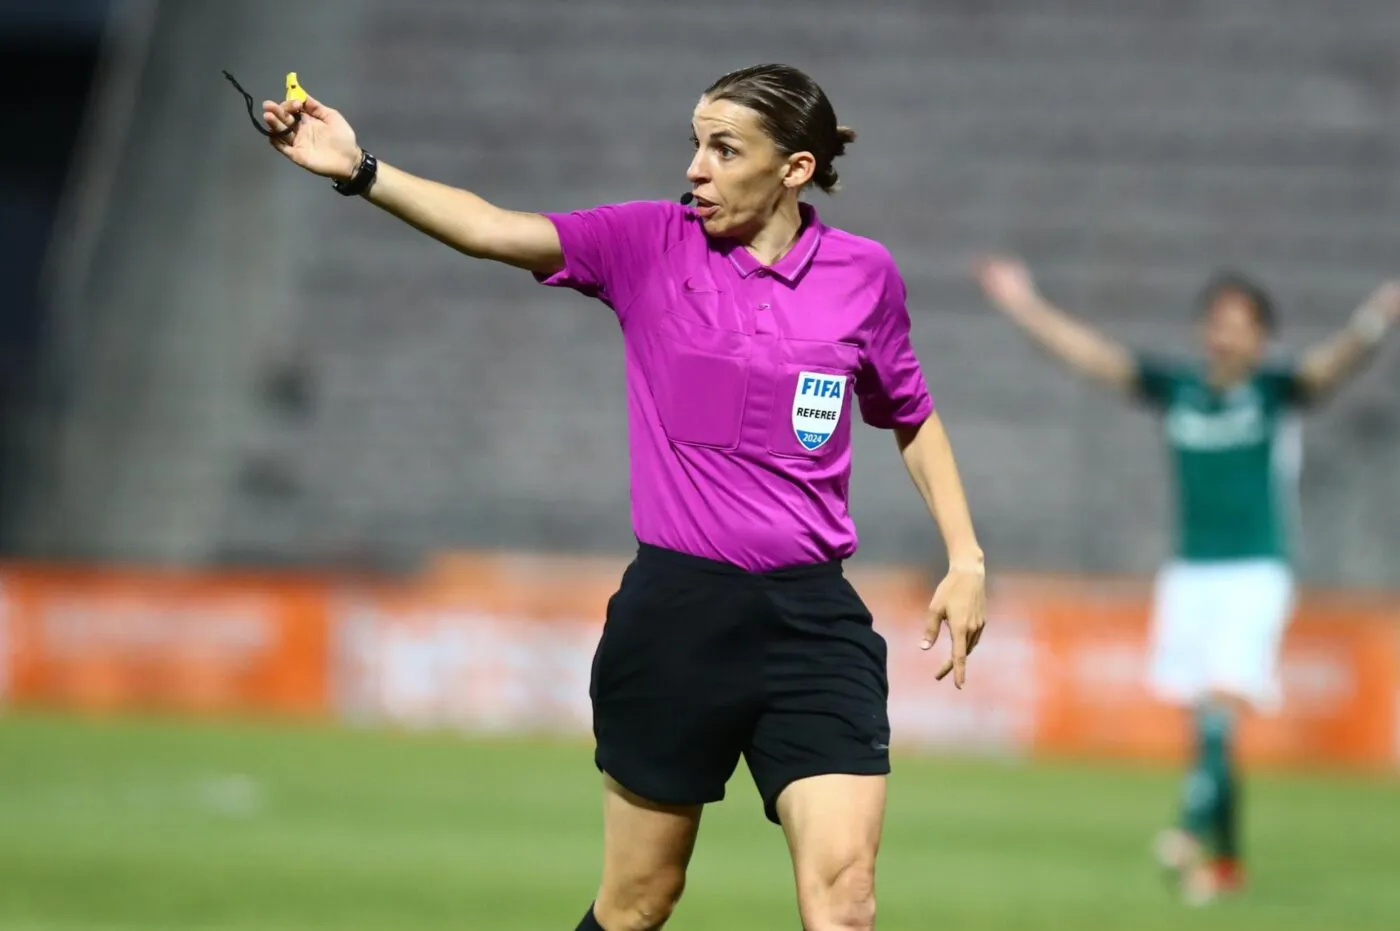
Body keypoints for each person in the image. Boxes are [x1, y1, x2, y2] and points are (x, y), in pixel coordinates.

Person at [263, 63, 987, 931]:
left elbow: (910, 412)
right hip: (678, 614)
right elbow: (491, 228)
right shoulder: (646, 243)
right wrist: (358, 169)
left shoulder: (864, 275)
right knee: (641, 901)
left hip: (814, 623)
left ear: (795, 168)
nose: (696, 168)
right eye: (696, 144)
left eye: (724, 149)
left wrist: (966, 555)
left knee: (848, 901)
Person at [976, 256, 1399, 904]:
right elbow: (1095, 357)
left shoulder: (1274, 391)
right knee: (1207, 728)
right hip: (1191, 574)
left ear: (1262, 336)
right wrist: (1023, 304)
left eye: (1239, 324)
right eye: (1217, 322)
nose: (1225, 335)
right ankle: (1226, 865)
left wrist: (1375, 319)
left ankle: (1188, 826)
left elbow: (1333, 365)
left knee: (1222, 707)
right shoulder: (1179, 389)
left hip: (1255, 570)